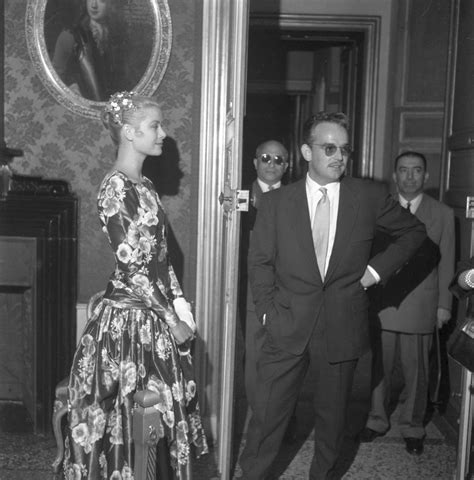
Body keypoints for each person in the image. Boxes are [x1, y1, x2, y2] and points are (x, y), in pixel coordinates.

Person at [238, 112, 427, 480]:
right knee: (267, 417)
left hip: (342, 324)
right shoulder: (279, 203)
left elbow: (414, 233)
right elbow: (259, 262)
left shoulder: (368, 197)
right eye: (329, 148)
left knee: (332, 421)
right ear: (307, 152)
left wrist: (373, 273)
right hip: (286, 323)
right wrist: (266, 312)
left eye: (343, 149)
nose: (338, 157)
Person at [63, 91, 208, 479]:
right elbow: (133, 268)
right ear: (129, 132)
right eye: (155, 126)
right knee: (124, 424)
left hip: (152, 319)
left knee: (154, 425)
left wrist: (181, 306)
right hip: (126, 325)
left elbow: (161, 259)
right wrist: (170, 317)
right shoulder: (116, 188)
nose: (163, 133)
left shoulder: (144, 185)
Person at [360, 151, 455, 455]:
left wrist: (444, 305)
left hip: (421, 305)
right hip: (384, 303)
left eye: (417, 171)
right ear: (395, 175)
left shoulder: (442, 213)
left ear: (426, 177)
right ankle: (376, 420)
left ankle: (413, 427)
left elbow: (448, 262)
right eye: (404, 170)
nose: (410, 176)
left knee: (417, 372)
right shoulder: (380, 208)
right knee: (380, 367)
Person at [240, 140, 298, 440]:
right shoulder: (239, 199)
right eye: (265, 158)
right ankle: (258, 419)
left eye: (279, 159)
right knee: (255, 356)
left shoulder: (297, 198)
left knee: (287, 356)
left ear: (287, 165)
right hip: (252, 291)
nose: (272, 164)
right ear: (254, 162)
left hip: (290, 291)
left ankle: (279, 418)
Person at [51, 0, 124, 101]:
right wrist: (70, 87)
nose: (94, 5)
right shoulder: (70, 36)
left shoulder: (119, 35)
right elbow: (55, 75)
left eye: (101, 0)